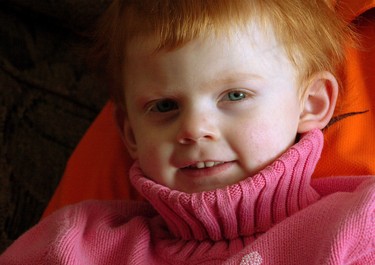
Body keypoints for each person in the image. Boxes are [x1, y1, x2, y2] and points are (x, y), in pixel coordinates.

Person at [1, 0, 374, 264]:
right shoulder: (77, 242)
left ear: (311, 103)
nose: (194, 130)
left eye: (235, 95)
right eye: (165, 106)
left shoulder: (355, 227)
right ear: (130, 135)